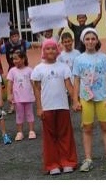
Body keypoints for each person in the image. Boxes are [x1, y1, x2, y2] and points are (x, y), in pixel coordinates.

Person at [72, 28, 106, 171]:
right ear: (83, 41)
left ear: (97, 41)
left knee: (105, 126)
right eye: (87, 39)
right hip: (86, 99)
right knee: (87, 128)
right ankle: (88, 159)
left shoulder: (103, 57)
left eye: (93, 39)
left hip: (102, 97)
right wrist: (75, 100)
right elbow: (76, 81)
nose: (90, 41)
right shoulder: (79, 59)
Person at [32, 38, 79, 176]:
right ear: (43, 51)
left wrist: (75, 101)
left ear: (57, 50)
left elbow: (69, 86)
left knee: (65, 135)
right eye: (47, 48)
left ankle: (68, 162)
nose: (50, 51)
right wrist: (39, 108)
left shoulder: (63, 67)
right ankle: (52, 164)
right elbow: (36, 89)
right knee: (50, 137)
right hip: (47, 107)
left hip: (62, 106)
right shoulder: (38, 69)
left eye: (53, 48)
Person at [6, 50, 37, 141]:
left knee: (29, 113)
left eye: (17, 58)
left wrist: (36, 94)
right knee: (19, 115)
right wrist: (9, 94)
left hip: (28, 97)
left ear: (23, 59)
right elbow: (9, 83)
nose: (15, 61)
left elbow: (33, 83)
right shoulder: (12, 71)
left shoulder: (29, 70)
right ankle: (20, 132)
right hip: (17, 98)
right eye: (13, 59)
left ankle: (31, 131)